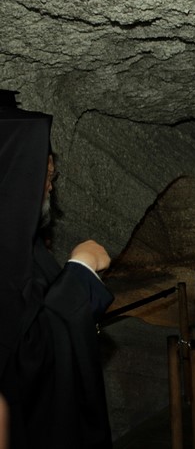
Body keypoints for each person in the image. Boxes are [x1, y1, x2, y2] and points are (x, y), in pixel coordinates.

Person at [0, 89, 114, 448]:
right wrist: (81, 272)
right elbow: (25, 358)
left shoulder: (24, 243)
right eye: (44, 175)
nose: (51, 186)